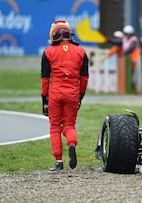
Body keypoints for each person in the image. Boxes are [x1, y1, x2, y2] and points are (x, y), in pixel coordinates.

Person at [41, 20, 89, 170]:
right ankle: (72, 143)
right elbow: (84, 78)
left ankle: (58, 161)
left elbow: (45, 79)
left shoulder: (48, 52)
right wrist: (80, 96)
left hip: (55, 93)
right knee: (69, 125)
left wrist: (44, 99)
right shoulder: (81, 51)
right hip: (73, 93)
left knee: (55, 127)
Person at [122, 25, 142, 94]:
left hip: (136, 59)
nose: (127, 35)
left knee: (137, 75)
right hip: (129, 59)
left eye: (128, 33)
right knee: (130, 75)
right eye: (126, 33)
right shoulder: (124, 39)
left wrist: (124, 52)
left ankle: (138, 90)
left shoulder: (134, 39)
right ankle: (131, 90)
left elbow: (131, 48)